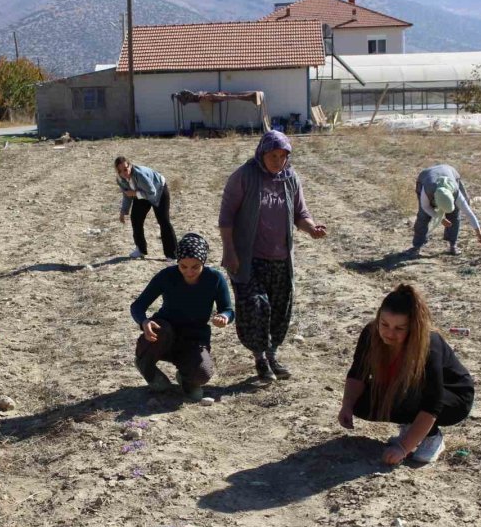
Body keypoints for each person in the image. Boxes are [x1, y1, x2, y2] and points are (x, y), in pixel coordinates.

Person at [218, 131, 327, 382]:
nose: (278, 161)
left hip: (280, 258)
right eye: (273, 155)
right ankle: (259, 358)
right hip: (248, 257)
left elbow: (301, 213)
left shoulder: (289, 178)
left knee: (279, 309)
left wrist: (311, 229)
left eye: (283, 156)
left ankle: (272, 354)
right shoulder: (244, 177)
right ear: (262, 153)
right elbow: (226, 218)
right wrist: (229, 251)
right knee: (256, 306)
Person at [337, 284, 475, 465]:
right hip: (407, 390)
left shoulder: (428, 343)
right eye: (384, 324)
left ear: (413, 327)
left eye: (399, 328)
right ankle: (413, 427)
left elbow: (433, 402)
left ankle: (432, 437)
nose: (389, 333)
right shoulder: (370, 334)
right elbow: (358, 372)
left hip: (452, 397)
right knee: (360, 402)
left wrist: (403, 447)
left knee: (410, 393)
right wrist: (347, 405)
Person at [130, 233, 234, 401]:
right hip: (164, 334)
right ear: (177, 262)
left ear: (204, 262)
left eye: (195, 266)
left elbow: (228, 310)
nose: (189, 272)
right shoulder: (166, 276)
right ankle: (146, 365)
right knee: (161, 328)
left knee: (203, 374)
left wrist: (224, 317)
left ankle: (186, 378)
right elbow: (137, 306)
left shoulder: (215, 279)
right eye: (183, 266)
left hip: (194, 338)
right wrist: (144, 321)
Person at [411, 164, 481, 256]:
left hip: (450, 172)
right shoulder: (427, 190)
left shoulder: (455, 192)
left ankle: (453, 245)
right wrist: (440, 218)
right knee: (423, 216)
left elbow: (468, 213)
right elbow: (426, 207)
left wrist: (479, 233)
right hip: (426, 177)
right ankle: (417, 246)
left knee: (454, 216)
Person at [115, 156, 178, 260]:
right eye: (120, 171)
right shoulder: (120, 180)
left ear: (130, 166)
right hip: (141, 192)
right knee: (136, 218)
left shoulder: (140, 175)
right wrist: (123, 211)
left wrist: (135, 193)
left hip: (158, 190)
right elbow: (127, 195)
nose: (124, 173)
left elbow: (152, 192)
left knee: (163, 221)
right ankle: (140, 249)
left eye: (125, 169)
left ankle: (172, 254)